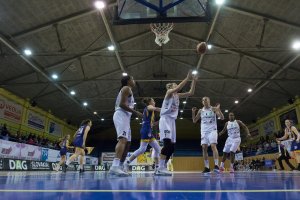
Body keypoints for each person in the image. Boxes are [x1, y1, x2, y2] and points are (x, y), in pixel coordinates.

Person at [156, 71, 197, 175]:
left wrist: (194, 81)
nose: (177, 85)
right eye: (175, 84)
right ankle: (160, 167)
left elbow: (191, 93)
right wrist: (187, 78)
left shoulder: (177, 95)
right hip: (165, 119)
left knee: (172, 147)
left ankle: (163, 166)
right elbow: (178, 88)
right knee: (167, 144)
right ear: (170, 87)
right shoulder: (169, 93)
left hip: (172, 121)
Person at [109, 75, 142, 176]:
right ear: (128, 81)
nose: (134, 80)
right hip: (121, 115)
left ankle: (119, 166)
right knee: (122, 140)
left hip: (126, 118)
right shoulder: (126, 88)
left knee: (128, 143)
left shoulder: (129, 90)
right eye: (132, 79)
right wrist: (136, 112)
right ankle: (114, 166)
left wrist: (133, 111)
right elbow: (122, 105)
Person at [124, 98, 161, 172]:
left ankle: (157, 168)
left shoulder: (150, 113)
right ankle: (127, 162)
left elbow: (153, 124)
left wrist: (161, 120)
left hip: (149, 130)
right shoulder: (149, 107)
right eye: (153, 101)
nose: (155, 102)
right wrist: (166, 110)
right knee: (142, 149)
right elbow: (153, 108)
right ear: (150, 102)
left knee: (158, 149)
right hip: (146, 130)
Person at [192, 97, 224, 173]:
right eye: (203, 100)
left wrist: (218, 109)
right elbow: (194, 121)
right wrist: (193, 112)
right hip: (204, 131)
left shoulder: (213, 109)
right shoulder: (200, 111)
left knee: (213, 145)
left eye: (206, 100)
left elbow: (222, 118)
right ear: (202, 102)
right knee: (204, 147)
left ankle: (216, 165)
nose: (205, 101)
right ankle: (207, 167)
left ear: (209, 101)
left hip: (212, 130)